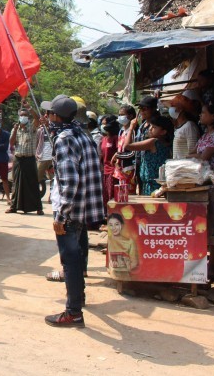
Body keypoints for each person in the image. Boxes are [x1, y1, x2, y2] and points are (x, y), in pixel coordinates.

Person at [43, 95, 105, 328]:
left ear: (56, 116)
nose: (48, 117)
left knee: (69, 258)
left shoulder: (65, 139)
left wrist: (61, 215)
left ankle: (73, 312)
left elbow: (69, 182)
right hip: (85, 208)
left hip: (71, 209)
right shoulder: (84, 134)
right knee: (77, 255)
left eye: (50, 113)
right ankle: (78, 298)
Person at [124, 115, 174, 195]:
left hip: (152, 187)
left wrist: (131, 128)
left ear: (163, 132)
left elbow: (127, 146)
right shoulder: (166, 143)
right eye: (150, 125)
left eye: (154, 127)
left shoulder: (153, 142)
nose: (150, 129)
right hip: (159, 186)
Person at [8, 105, 44, 215]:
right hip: (18, 159)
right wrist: (14, 130)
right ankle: (14, 206)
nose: (23, 117)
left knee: (33, 183)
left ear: (28, 117)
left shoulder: (32, 127)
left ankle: (38, 207)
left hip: (29, 159)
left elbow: (37, 118)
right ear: (18, 117)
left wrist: (30, 108)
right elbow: (11, 143)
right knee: (16, 183)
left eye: (25, 115)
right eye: (21, 115)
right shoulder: (15, 128)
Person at [105, 213, 138, 280]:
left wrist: (123, 268)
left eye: (116, 224)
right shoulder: (109, 240)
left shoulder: (129, 242)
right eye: (110, 225)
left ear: (122, 225)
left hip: (125, 275)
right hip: (114, 274)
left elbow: (134, 262)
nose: (113, 228)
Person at [113, 104, 138, 194]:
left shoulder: (133, 132)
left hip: (129, 168)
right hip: (120, 168)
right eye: (119, 115)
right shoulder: (121, 131)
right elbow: (119, 148)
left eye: (122, 114)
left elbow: (133, 153)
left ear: (130, 116)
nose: (120, 117)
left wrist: (118, 156)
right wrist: (117, 161)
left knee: (129, 195)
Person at [169, 93, 200, 159]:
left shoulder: (190, 126)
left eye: (173, 106)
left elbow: (193, 151)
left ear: (181, 109)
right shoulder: (178, 127)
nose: (170, 109)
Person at [99, 115, 120, 205]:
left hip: (113, 172)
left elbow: (119, 153)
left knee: (112, 195)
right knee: (105, 195)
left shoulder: (116, 138)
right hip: (105, 171)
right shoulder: (103, 139)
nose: (103, 126)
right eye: (102, 124)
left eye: (105, 124)